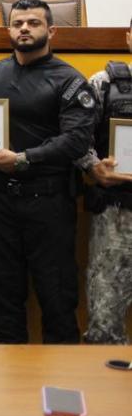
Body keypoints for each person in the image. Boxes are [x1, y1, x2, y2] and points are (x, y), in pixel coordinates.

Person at [0, 0, 94, 344]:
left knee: (57, 298)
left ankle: (62, 391)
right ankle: (10, 391)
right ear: (8, 30)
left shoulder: (70, 80)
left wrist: (24, 158)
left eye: (33, 23)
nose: (24, 28)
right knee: (1, 296)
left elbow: (75, 141)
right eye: (17, 23)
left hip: (49, 204)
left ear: (51, 30)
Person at [80, 18, 132, 344]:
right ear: (129, 38)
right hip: (117, 213)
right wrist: (94, 166)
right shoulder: (104, 83)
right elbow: (76, 136)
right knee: (105, 319)